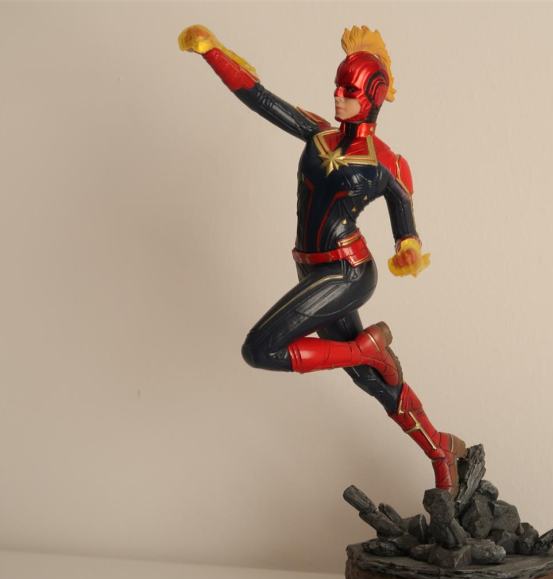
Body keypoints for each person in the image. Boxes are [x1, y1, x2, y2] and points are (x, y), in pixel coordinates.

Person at [179, 24, 466, 494]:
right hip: (311, 267)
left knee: (260, 350)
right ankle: (440, 449)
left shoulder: (385, 163)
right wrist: (212, 52)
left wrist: (408, 250)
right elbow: (261, 98)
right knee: (371, 381)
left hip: (347, 271)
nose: (337, 96)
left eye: (349, 91)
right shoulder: (318, 135)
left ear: (372, 97)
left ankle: (364, 350)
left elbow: (405, 222)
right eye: (337, 86)